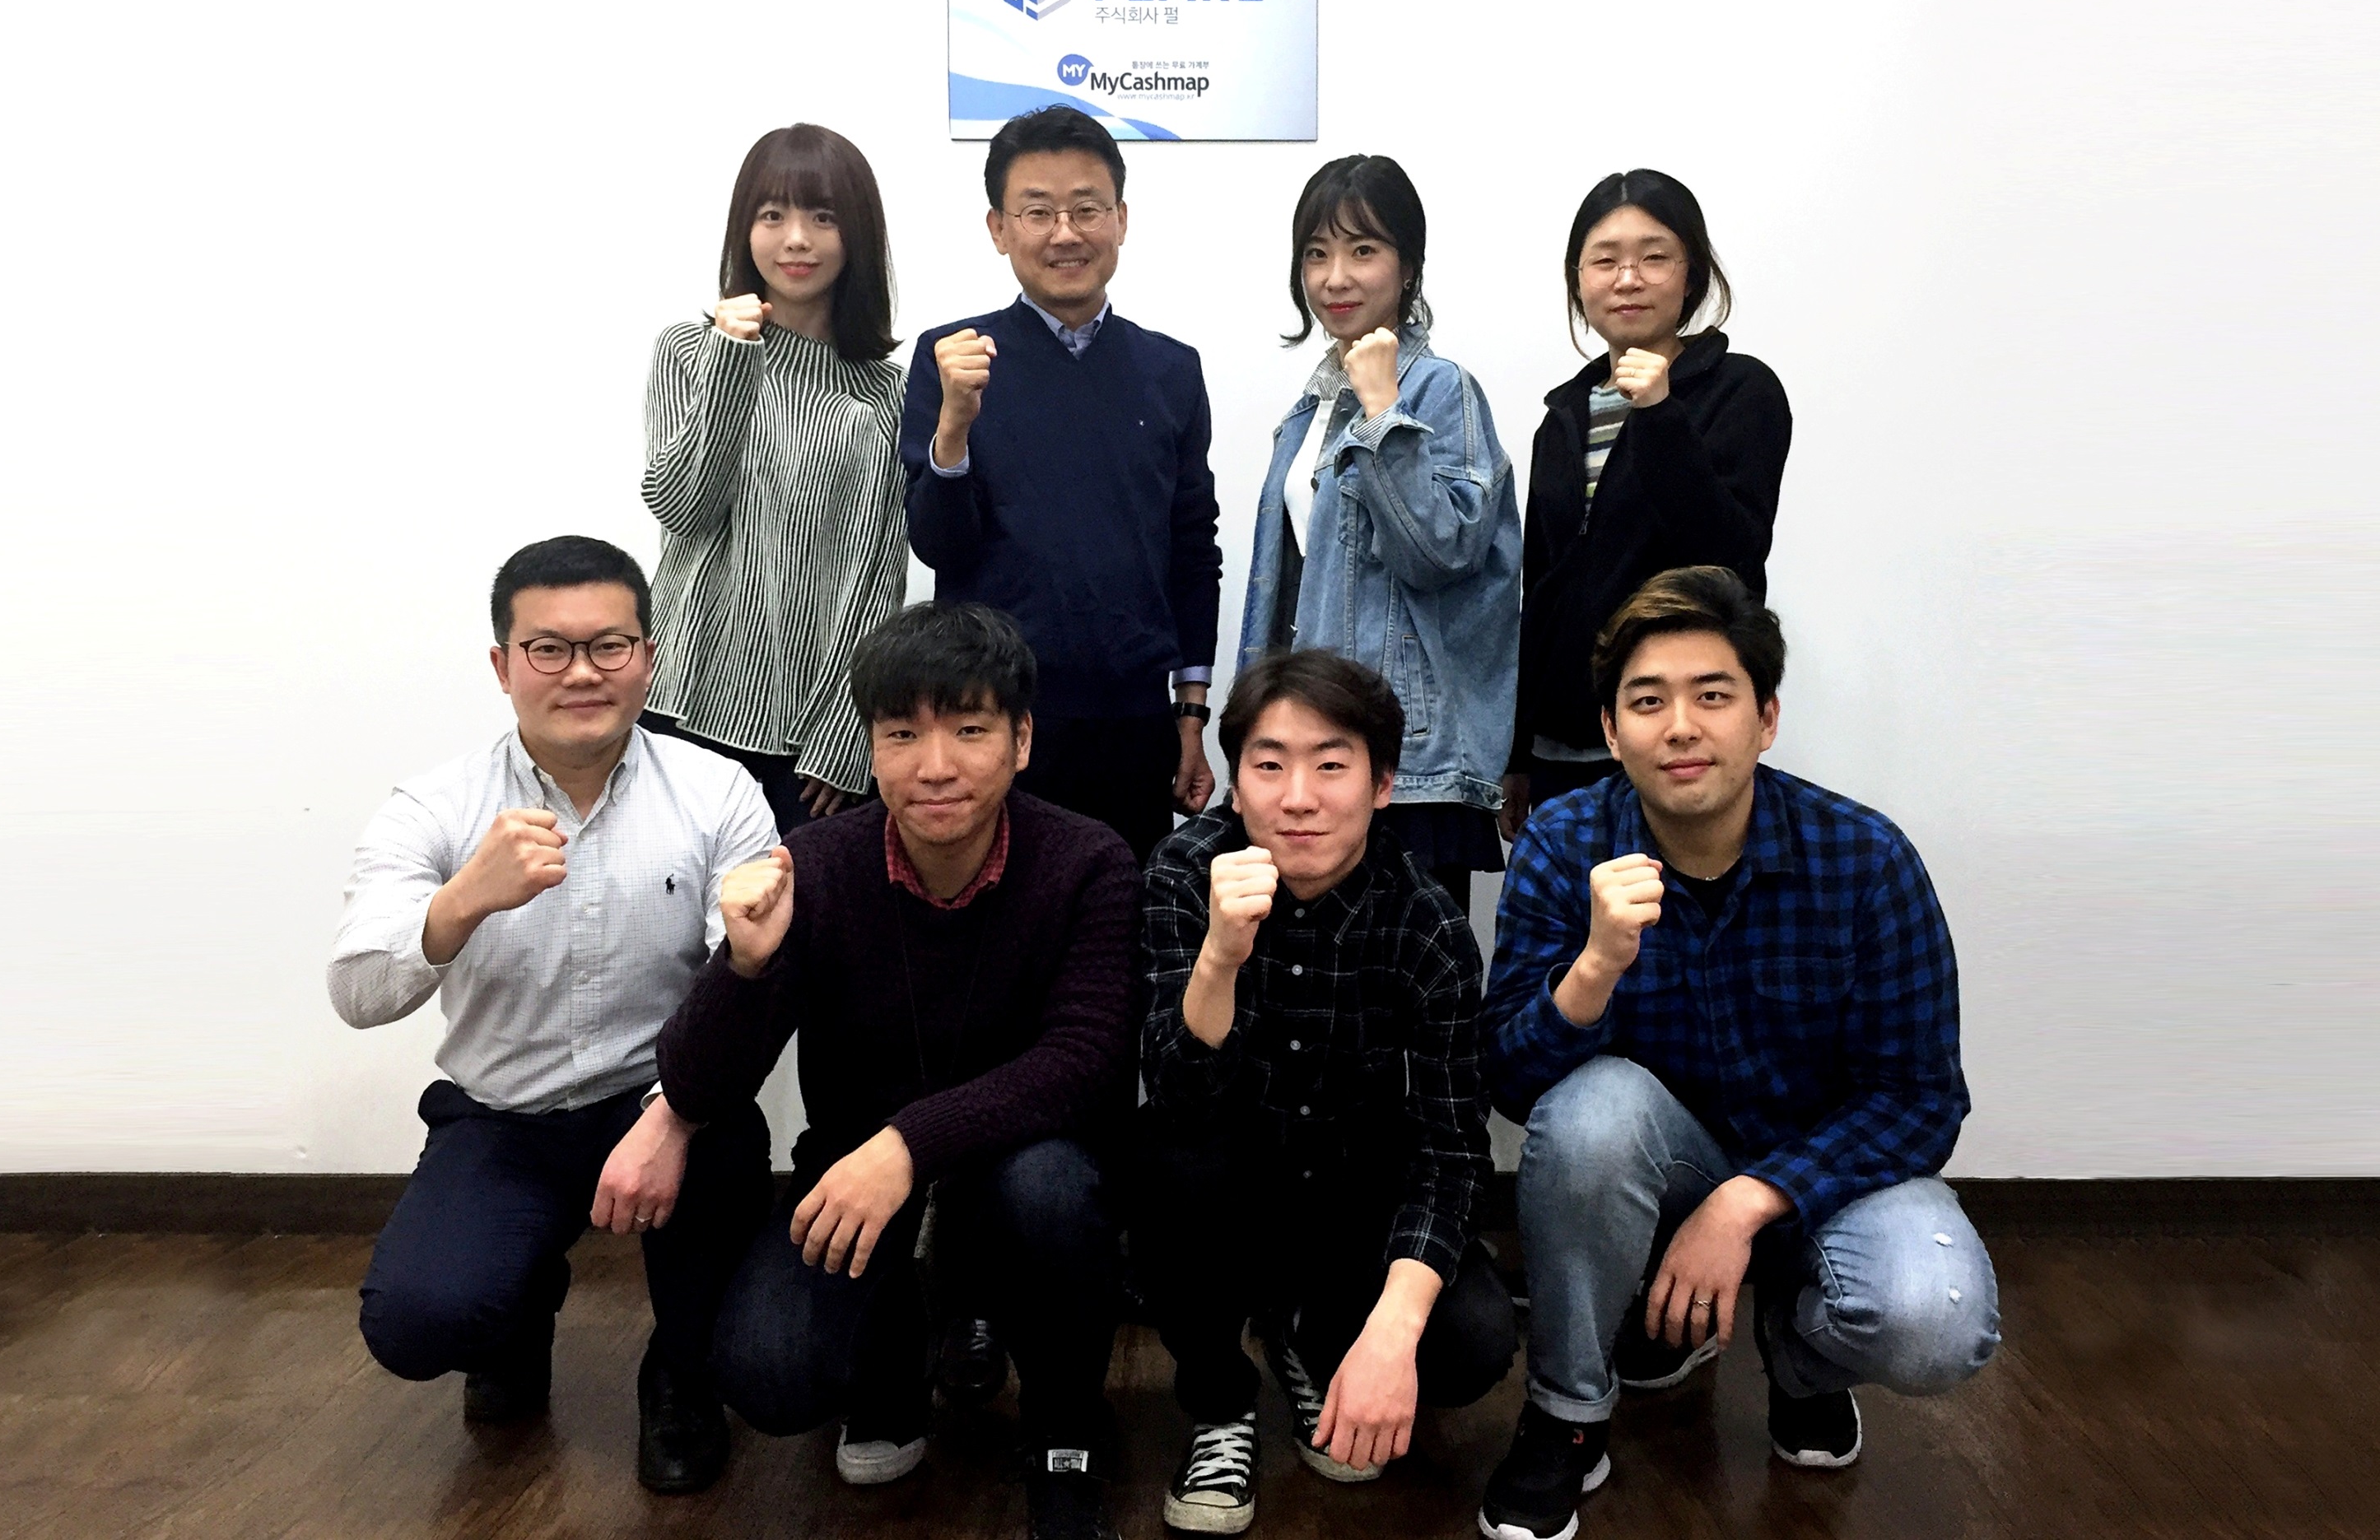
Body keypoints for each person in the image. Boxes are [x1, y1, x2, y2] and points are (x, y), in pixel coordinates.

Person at [1475, 568, 2000, 1540]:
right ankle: (1568, 1411)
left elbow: (1921, 1097)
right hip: (1659, 1171)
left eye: (1712, 695)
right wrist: (1593, 966)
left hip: (1824, 1177)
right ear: (1610, 731)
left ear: (1765, 719)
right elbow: (1509, 1082)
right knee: (1591, 1112)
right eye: (1647, 701)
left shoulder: (1865, 857)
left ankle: (1800, 1357)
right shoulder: (1561, 842)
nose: (1680, 727)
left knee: (1936, 1315)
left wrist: (1746, 1201)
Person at [649, 602, 1140, 1540]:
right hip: (855, 1161)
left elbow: (1083, 1059)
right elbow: (701, 1085)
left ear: (1022, 739)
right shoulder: (816, 864)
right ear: (870, 747)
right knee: (767, 1374)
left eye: (969, 730)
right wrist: (743, 967)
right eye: (902, 733)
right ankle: (893, 1360)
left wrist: (910, 1143)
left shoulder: (1087, 861)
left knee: (1053, 1193)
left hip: (1016, 1157)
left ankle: (1062, 1432)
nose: (935, 765)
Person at [328, 536, 778, 1496]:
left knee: (732, 1155)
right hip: (504, 1117)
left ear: (648, 657)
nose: (582, 672)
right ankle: (515, 1315)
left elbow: (751, 988)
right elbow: (358, 993)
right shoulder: (436, 806)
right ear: (503, 665)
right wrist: (461, 901)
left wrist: (673, 1115)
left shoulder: (716, 793)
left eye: (609, 645)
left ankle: (682, 1374)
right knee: (417, 1322)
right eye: (549, 648)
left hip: (665, 1101)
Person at [1135, 649, 1517, 1534]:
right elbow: (1177, 1091)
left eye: (1331, 765)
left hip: (1354, 1195)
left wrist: (1391, 1332)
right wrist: (1219, 955)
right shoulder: (1183, 872)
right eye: (1268, 765)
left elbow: (1453, 1150)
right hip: (1224, 1181)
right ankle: (1219, 1402)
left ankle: (1311, 1336)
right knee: (1173, 1160)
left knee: (1468, 1341)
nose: (1298, 797)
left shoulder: (1427, 922)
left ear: (1382, 785)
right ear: (1236, 784)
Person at [901, 104, 1221, 867]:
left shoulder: (1170, 370)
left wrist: (1190, 714)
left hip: (1132, 721)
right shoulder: (952, 358)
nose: (1064, 233)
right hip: (992, 716)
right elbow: (938, 544)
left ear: (1120, 219)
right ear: (998, 228)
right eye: (1037, 212)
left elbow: (1191, 550)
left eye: (1086, 208)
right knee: (994, 915)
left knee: (1123, 914)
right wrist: (954, 424)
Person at [1235, 155, 1522, 914]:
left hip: (1408, 761)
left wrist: (1384, 412)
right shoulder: (1310, 408)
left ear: (1408, 265)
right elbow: (1283, 592)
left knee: (1410, 968)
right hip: (1315, 750)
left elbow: (1442, 551)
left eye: (1362, 250)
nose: (1335, 278)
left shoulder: (1439, 388)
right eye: (1316, 253)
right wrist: (1249, 737)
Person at [640, 122, 910, 835]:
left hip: (812, 744)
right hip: (680, 703)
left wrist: (848, 726)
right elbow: (684, 508)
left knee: (799, 906)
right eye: (772, 215)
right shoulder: (689, 350)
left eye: (823, 217)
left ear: (856, 235)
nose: (796, 240)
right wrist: (734, 357)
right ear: (745, 229)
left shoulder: (888, 393)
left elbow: (878, 575)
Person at [1504, 170, 1792, 839]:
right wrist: (1516, 749)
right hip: (1562, 742)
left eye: (1654, 257)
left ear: (1690, 274)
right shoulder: (1564, 414)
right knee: (1570, 905)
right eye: (1604, 261)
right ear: (1578, 281)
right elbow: (1538, 588)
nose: (1627, 279)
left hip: (1676, 735)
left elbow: (1730, 561)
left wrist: (1660, 415)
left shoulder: (1739, 390)